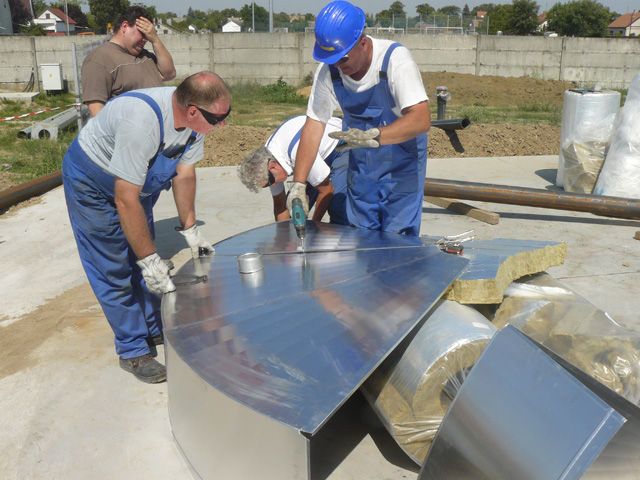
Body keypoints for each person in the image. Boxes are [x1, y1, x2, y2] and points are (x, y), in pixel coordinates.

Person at [62, 72, 231, 384]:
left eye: (226, 115)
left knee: (142, 256)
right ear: (193, 110)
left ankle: (153, 327)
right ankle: (132, 349)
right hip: (93, 184)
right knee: (113, 266)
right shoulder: (141, 122)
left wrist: (190, 229)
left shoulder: (196, 121)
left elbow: (184, 174)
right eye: (217, 119)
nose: (222, 125)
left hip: (137, 183)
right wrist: (150, 260)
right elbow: (125, 199)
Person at [288, 0, 431, 237]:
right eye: (331, 59)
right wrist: (299, 185)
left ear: (362, 43)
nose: (337, 65)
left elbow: (421, 119)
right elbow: (314, 125)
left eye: (342, 58)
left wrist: (374, 136)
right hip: (363, 168)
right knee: (362, 239)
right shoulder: (329, 71)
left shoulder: (394, 60)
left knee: (398, 242)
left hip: (402, 168)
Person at [237, 115, 348, 225]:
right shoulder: (267, 162)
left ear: (272, 166)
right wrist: (285, 233)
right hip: (314, 154)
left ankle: (345, 232)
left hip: (341, 143)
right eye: (267, 185)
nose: (273, 185)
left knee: (338, 207)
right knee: (294, 207)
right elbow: (280, 206)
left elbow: (327, 190)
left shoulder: (298, 154)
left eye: (271, 182)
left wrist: (314, 225)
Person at [81, 5, 176, 117]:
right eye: (143, 33)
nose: (146, 39)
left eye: (149, 34)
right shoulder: (98, 60)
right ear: (125, 27)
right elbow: (97, 112)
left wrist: (155, 40)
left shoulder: (145, 56)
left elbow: (169, 74)